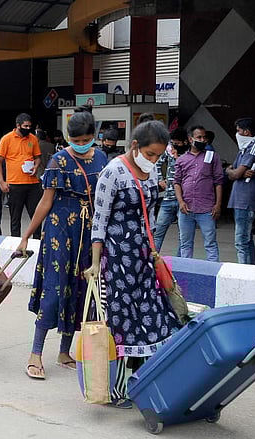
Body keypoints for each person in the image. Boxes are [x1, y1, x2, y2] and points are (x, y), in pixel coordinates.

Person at [85, 120, 183, 408]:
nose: (154, 160)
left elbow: (149, 217)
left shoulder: (151, 173)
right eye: (150, 154)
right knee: (122, 319)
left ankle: (146, 379)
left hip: (143, 257)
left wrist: (153, 252)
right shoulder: (112, 172)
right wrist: (95, 264)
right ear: (135, 146)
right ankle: (117, 389)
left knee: (152, 314)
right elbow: (99, 221)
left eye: (159, 156)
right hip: (116, 259)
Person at [17, 107, 105, 380]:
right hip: (59, 230)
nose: (80, 146)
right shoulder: (57, 161)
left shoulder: (102, 158)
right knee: (55, 290)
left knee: (80, 288)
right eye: (75, 141)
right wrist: (26, 235)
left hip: (89, 230)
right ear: (68, 138)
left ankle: (65, 351)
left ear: (93, 135)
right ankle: (35, 353)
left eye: (85, 140)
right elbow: (46, 201)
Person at [174, 125, 223, 261]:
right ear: (191, 139)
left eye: (204, 137)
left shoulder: (212, 157)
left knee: (210, 243)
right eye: (199, 137)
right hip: (186, 208)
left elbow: (219, 182)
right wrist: (181, 202)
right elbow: (176, 182)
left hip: (207, 208)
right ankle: (186, 274)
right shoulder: (182, 159)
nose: (202, 140)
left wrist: (217, 204)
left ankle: (212, 272)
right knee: (185, 243)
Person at [226, 117, 255, 265]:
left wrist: (235, 172)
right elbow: (231, 170)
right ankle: (251, 269)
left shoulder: (254, 146)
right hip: (240, 198)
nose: (237, 134)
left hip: (246, 199)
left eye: (238, 131)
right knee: (246, 239)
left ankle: (244, 271)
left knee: (241, 240)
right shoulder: (244, 149)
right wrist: (234, 171)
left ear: (246, 132)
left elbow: (234, 173)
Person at [0, 113, 43, 238]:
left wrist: (36, 166)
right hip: (15, 184)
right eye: (25, 126)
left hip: (32, 184)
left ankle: (37, 242)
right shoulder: (6, 139)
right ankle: (16, 243)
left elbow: (38, 158)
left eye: (29, 126)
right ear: (18, 125)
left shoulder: (33, 138)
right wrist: (2, 182)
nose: (28, 128)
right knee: (15, 218)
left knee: (36, 215)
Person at [152, 127, 188, 252]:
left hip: (184, 199)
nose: (174, 145)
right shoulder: (168, 150)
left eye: (177, 143)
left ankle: (180, 263)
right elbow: (157, 163)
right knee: (158, 231)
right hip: (168, 197)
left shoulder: (190, 154)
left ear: (185, 142)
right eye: (172, 142)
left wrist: (179, 157)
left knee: (183, 236)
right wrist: (160, 180)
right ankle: (152, 260)